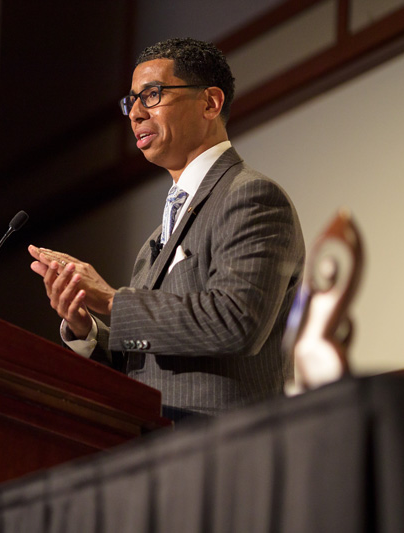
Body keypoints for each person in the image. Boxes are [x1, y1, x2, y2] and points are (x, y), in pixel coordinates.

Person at [28, 38, 305, 421]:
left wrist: (111, 302)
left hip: (223, 450)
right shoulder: (154, 241)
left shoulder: (251, 196)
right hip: (152, 447)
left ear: (210, 103)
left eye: (152, 95)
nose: (135, 114)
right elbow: (145, 365)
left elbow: (237, 321)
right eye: (131, 101)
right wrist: (86, 328)